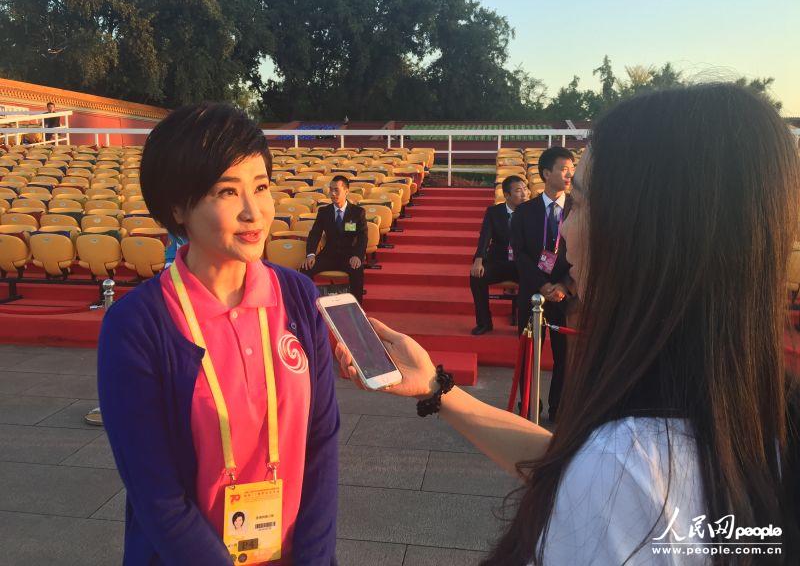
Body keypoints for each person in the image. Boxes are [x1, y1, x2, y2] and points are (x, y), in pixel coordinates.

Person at [336, 84, 800, 565]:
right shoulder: (762, 410)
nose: (567, 232)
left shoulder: (627, 467)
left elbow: (603, 476)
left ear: (642, 230)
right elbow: (570, 467)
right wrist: (438, 388)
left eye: (578, 205)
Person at [97, 103, 339, 565]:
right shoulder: (136, 325)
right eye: (228, 192)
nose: (255, 211)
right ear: (178, 206)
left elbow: (322, 444)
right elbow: (158, 496)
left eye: (262, 187)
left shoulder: (299, 298)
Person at [510, 147, 575, 421]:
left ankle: (559, 407)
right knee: (528, 352)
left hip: (564, 296)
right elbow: (520, 254)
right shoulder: (525, 212)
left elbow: (585, 253)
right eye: (563, 168)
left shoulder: (579, 210)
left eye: (572, 168)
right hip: (531, 293)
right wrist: (542, 286)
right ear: (547, 173)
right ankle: (529, 405)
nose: (569, 174)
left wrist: (563, 285)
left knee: (565, 357)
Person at [470, 175, 529, 335]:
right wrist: (478, 260)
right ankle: (484, 323)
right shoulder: (494, 212)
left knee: (533, 280)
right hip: (500, 262)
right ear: (507, 195)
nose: (524, 194)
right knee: (476, 277)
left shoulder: (532, 213)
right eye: (518, 190)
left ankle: (526, 327)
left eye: (525, 189)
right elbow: (485, 237)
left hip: (523, 264)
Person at [301, 175, 367, 302]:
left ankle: (357, 308)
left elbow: (362, 236)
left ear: (346, 191)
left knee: (357, 269)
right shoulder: (324, 212)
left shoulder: (357, 212)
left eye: (336, 190)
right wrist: (310, 254)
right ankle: (308, 305)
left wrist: (358, 256)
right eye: (331, 190)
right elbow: (315, 234)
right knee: (305, 268)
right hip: (328, 256)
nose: (332, 193)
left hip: (349, 256)